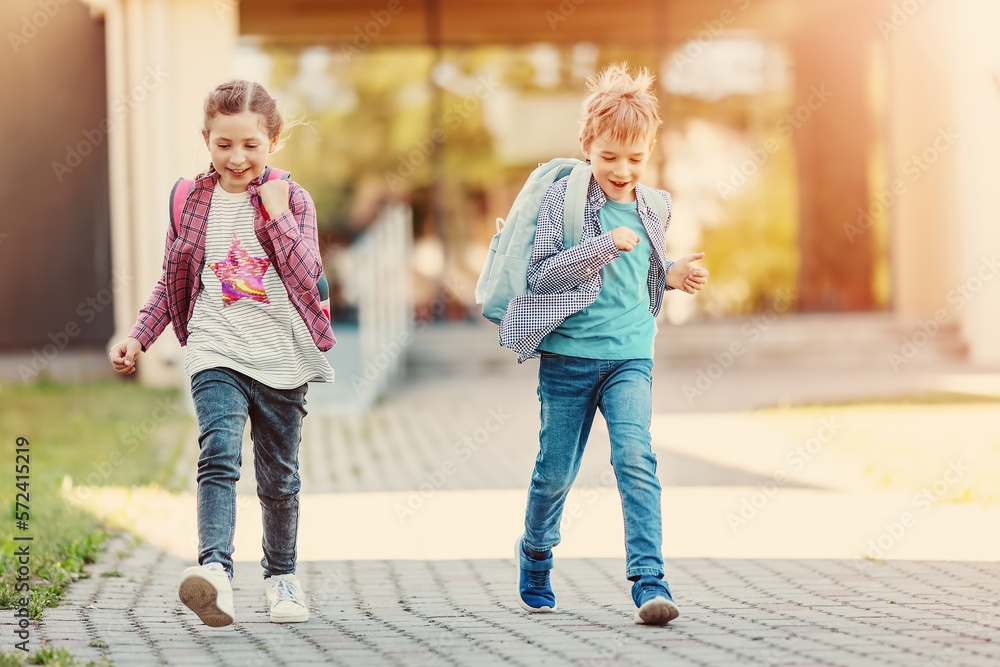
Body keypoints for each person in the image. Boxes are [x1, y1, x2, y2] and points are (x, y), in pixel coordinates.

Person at [109, 79, 335, 627]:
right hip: (215, 348)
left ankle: (282, 579)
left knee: (279, 479)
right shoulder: (190, 200)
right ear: (206, 139)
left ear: (273, 141)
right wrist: (138, 336)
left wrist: (277, 217)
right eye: (223, 144)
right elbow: (172, 281)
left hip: (282, 356)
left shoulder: (293, 198)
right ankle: (214, 572)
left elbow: (311, 281)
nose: (237, 158)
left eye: (250, 146)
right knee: (219, 455)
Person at [500, 63, 708, 625]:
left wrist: (673, 272)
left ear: (649, 152)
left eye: (635, 158)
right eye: (610, 156)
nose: (623, 169)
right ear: (587, 145)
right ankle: (536, 556)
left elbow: (646, 273)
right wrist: (601, 246)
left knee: (635, 457)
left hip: (630, 357)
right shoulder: (561, 203)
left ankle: (650, 582)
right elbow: (541, 275)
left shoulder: (656, 207)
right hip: (568, 360)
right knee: (554, 472)